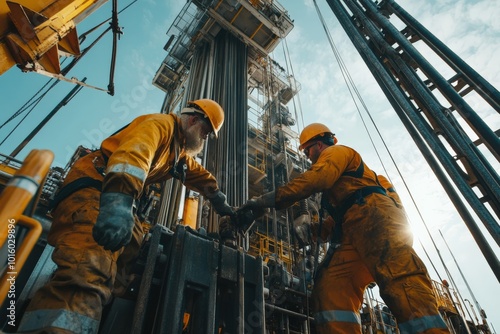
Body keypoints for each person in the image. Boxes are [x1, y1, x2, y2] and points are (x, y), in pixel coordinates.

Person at [18, 99, 235, 334]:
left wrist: (221, 203)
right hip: (97, 193)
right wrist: (118, 202)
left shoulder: (176, 150)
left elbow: (197, 174)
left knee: (129, 260)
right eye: (205, 132)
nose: (204, 139)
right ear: (193, 120)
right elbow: (133, 157)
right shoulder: (159, 125)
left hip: (116, 197)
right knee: (90, 265)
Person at [240, 123, 449, 333]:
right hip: (355, 228)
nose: (307, 156)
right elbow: (341, 217)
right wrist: (313, 232)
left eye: (307, 150)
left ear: (319, 145)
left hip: (376, 220)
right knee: (331, 286)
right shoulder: (345, 187)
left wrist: (268, 200)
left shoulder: (336, 152)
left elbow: (318, 179)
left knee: (399, 281)